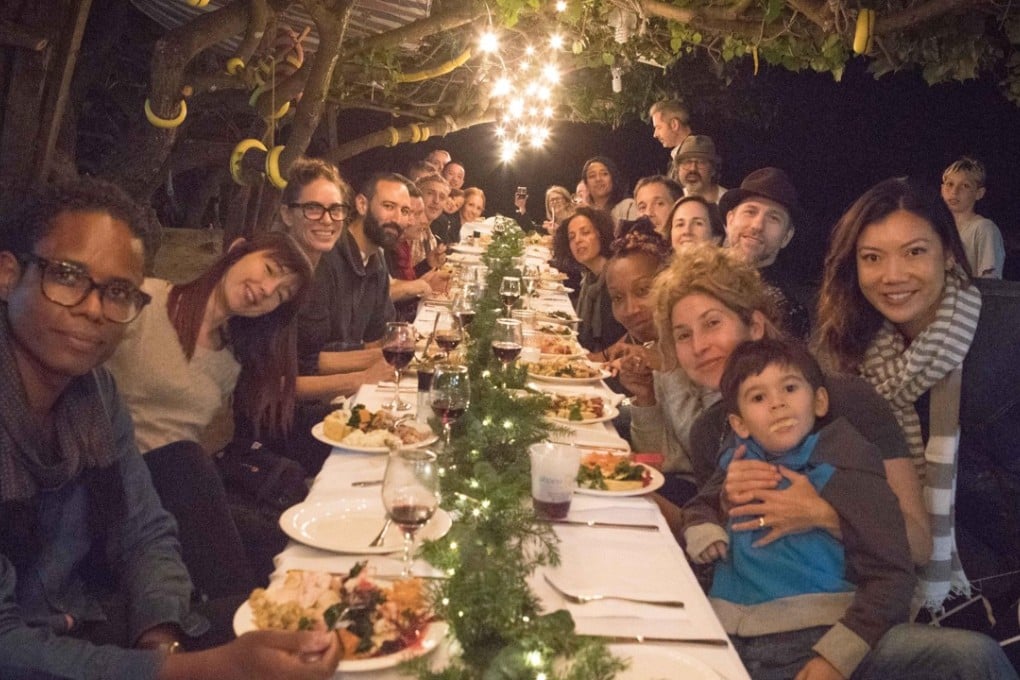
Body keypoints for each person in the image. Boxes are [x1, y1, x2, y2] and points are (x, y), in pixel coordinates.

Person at [0, 177, 340, 679]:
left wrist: (164, 639)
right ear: (8, 274)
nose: (94, 308)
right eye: (67, 277)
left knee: (311, 634)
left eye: (117, 292)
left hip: (92, 613)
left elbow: (144, 529)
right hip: (33, 648)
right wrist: (184, 672)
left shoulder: (94, 393)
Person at [684, 338, 1015, 680]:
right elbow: (700, 505)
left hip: (822, 631)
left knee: (972, 656)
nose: (777, 404)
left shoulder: (846, 461)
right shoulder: (735, 460)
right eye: (758, 397)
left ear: (820, 400)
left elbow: (892, 570)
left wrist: (839, 656)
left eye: (790, 388)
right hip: (726, 633)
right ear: (739, 424)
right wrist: (705, 529)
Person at [814, 176, 1020, 616]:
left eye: (914, 252)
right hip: (924, 572)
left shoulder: (1006, 326)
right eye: (872, 258)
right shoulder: (851, 348)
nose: (893, 276)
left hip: (998, 574)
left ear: (947, 252)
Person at [652, 245, 932, 567]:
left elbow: (920, 546)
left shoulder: (846, 401)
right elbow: (719, 552)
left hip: (852, 603)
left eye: (712, 323)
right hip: (752, 599)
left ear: (755, 326)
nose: (699, 346)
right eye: (683, 335)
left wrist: (823, 514)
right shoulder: (710, 431)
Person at [104, 231, 312, 598]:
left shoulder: (230, 361)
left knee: (287, 543)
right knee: (187, 462)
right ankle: (239, 631)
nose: (266, 290)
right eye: (269, 269)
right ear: (236, 250)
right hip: (114, 480)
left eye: (280, 293)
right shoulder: (147, 301)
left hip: (176, 495)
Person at [720, 167, 810, 339]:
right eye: (750, 211)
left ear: (786, 236)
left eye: (773, 218)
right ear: (730, 220)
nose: (757, 225)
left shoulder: (786, 312)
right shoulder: (699, 282)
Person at [553, 207, 626, 357]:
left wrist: (602, 356)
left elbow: (635, 334)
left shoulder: (617, 276)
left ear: (601, 234)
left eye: (585, 233)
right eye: (572, 237)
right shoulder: (589, 279)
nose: (578, 240)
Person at [387, 183, 449, 322]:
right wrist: (419, 287)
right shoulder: (386, 247)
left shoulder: (400, 245)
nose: (423, 220)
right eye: (413, 213)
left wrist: (427, 265)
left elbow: (402, 286)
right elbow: (386, 299)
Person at [940, 156, 1005, 278]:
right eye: (950, 184)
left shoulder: (984, 228)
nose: (954, 191)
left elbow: (991, 282)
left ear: (979, 193)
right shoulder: (936, 230)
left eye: (965, 186)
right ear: (942, 189)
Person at [581, 156, 637, 225]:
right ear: (586, 184)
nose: (598, 179)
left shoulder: (628, 206)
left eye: (604, 174)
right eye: (592, 176)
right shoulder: (584, 216)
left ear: (613, 179)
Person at [674, 135, 726, 204]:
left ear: (713, 169)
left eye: (701, 162)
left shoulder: (728, 202)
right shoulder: (674, 201)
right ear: (678, 168)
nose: (693, 168)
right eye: (687, 162)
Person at [649, 99, 692, 182]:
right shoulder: (681, 153)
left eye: (659, 127)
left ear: (674, 125)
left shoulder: (693, 155)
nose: (655, 134)